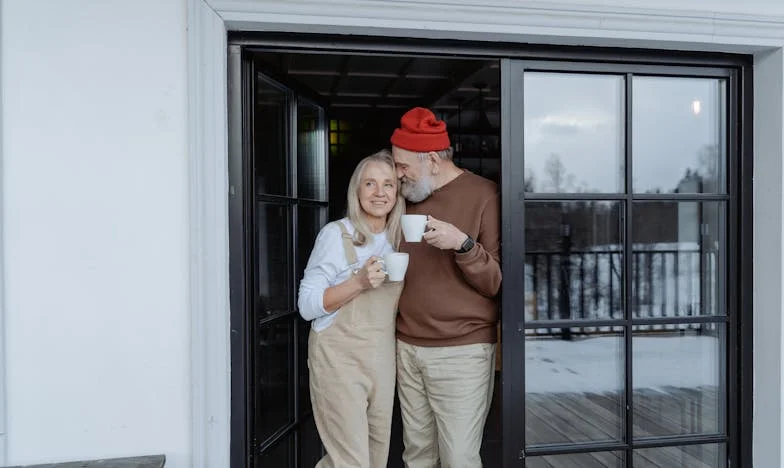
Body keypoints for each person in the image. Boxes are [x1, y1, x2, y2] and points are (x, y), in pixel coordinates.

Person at [390, 107, 502, 468]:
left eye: (402, 165)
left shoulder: (485, 195)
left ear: (433, 160)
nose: (397, 173)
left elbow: (497, 283)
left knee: (459, 459)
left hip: (462, 352)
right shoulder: (404, 195)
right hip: (406, 347)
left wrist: (463, 245)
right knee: (418, 456)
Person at [298, 149, 406, 468]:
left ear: (397, 192)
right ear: (356, 191)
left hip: (382, 360)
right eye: (370, 184)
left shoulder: (401, 240)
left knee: (375, 457)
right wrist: (358, 282)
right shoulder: (336, 234)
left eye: (388, 184)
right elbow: (306, 306)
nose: (379, 192)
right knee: (351, 461)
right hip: (338, 360)